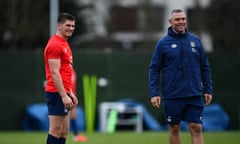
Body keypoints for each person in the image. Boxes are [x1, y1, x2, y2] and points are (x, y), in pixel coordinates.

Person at [148, 9, 213, 144]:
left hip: (194, 93)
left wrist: (208, 89)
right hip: (172, 95)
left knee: (196, 127)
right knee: (174, 128)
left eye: (183, 19)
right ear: (170, 22)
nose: (181, 22)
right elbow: (154, 69)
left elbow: (204, 67)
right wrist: (154, 93)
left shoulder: (195, 41)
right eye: (177, 19)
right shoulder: (162, 43)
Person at [43, 13, 78, 144]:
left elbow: (65, 72)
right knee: (55, 130)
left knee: (64, 131)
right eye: (67, 25)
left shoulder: (64, 43)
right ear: (59, 26)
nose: (71, 28)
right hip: (56, 92)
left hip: (64, 91)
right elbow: (54, 72)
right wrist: (64, 95)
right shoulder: (55, 45)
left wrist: (70, 92)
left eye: (73, 26)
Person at [70, 69, 88, 142]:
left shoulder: (72, 71)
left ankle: (76, 134)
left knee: (73, 115)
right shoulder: (63, 69)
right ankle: (75, 135)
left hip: (72, 96)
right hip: (65, 95)